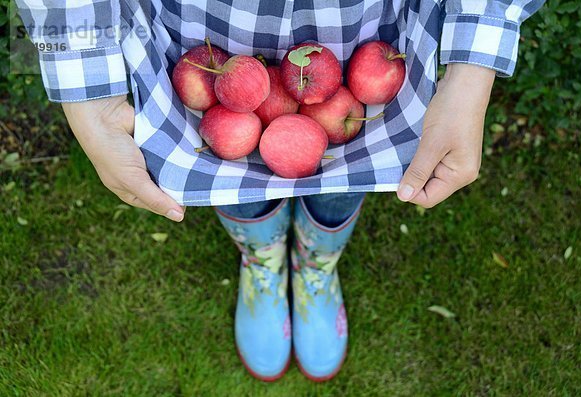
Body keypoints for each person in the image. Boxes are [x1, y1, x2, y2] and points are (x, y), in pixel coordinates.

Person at [17, 0, 544, 382]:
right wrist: (84, 88)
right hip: (202, 37)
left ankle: (315, 265)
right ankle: (263, 260)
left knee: (346, 178)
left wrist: (474, 68)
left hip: (361, 34)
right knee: (229, 178)